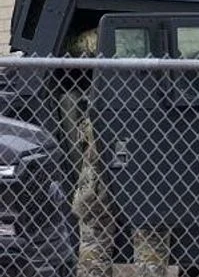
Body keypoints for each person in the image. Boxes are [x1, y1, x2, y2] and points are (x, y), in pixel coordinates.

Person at [63, 28, 171, 277]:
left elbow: (73, 44)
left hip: (110, 148)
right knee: (149, 230)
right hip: (145, 151)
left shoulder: (107, 36)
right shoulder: (156, 38)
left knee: (97, 231)